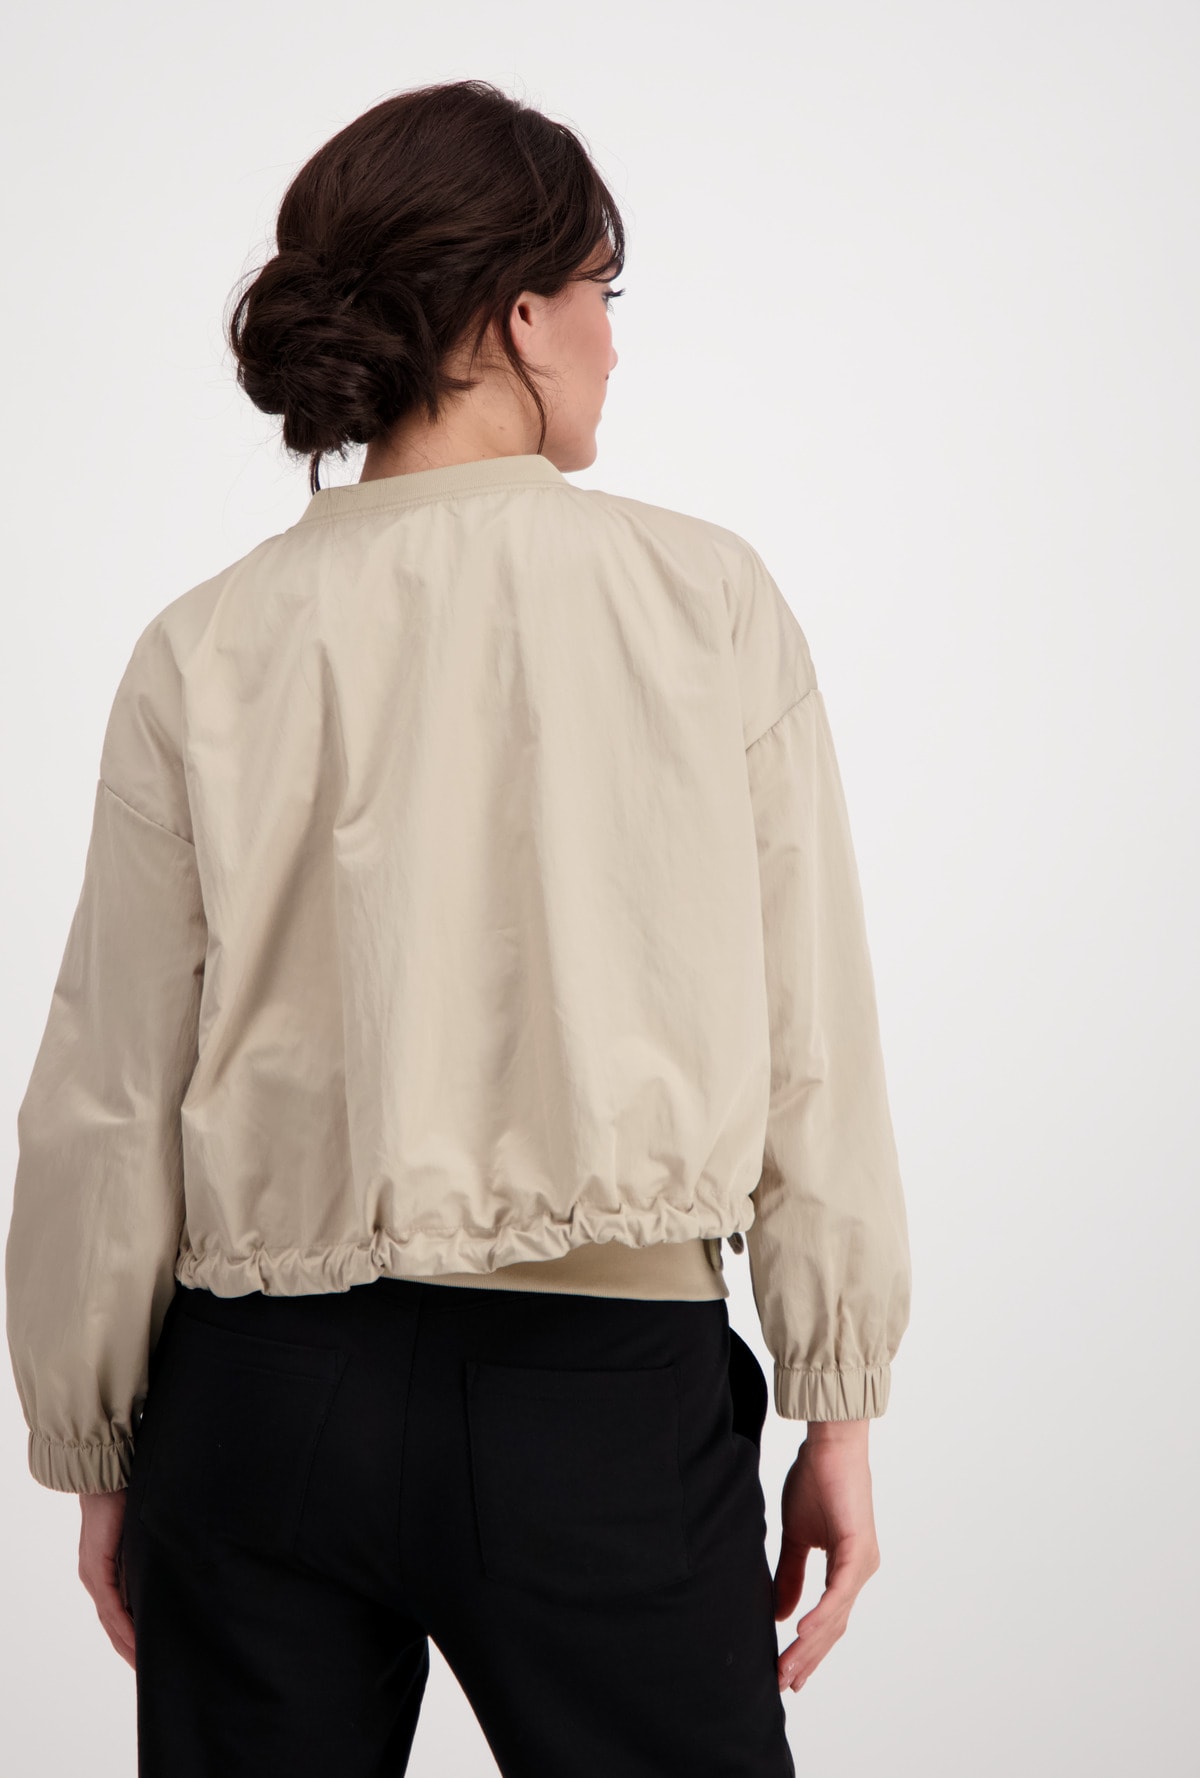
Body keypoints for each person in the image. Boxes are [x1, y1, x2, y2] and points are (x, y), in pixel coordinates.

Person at [4, 77, 911, 1777]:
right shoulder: (704, 598)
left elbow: (110, 1083)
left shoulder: (204, 644)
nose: (616, 342)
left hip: (257, 1406)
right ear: (516, 318)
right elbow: (811, 1035)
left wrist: (97, 1439)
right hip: (603, 1395)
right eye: (602, 293)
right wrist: (836, 1398)